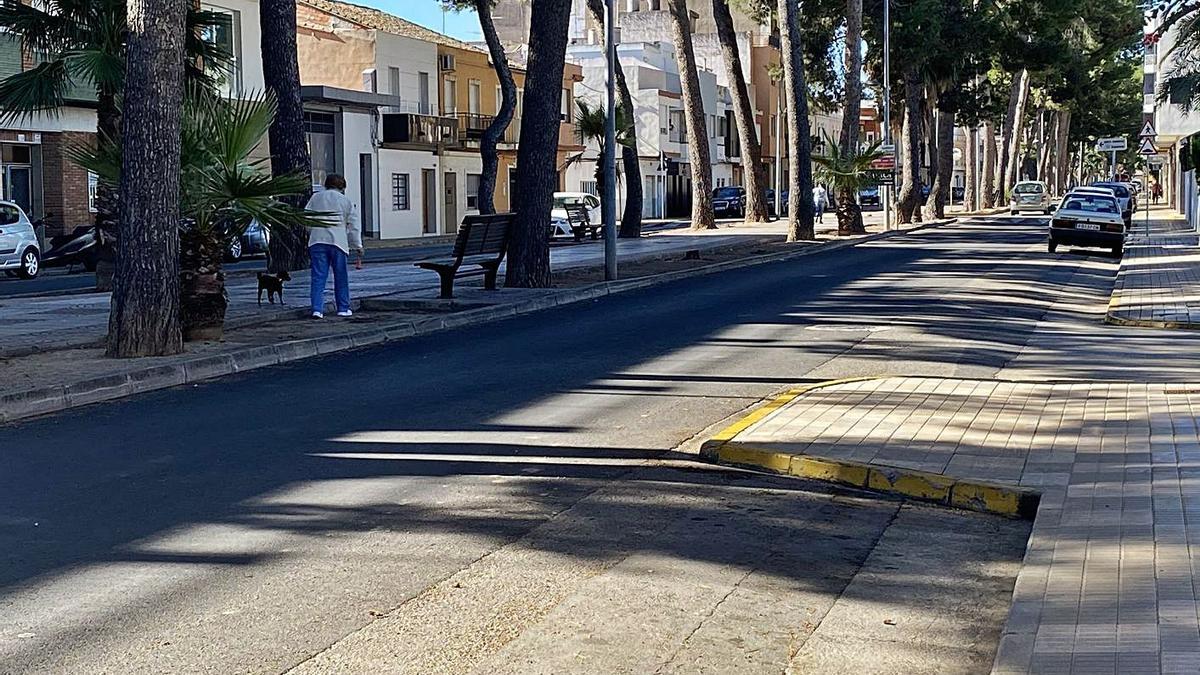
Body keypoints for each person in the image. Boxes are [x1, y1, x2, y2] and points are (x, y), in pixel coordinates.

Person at [305, 174, 362, 319]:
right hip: (338, 242)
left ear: (326, 184)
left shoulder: (316, 198)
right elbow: (353, 225)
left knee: (318, 277)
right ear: (342, 187)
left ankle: (317, 309)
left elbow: (306, 218)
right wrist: (357, 245)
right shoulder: (345, 200)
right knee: (340, 276)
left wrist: (313, 232)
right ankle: (343, 308)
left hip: (317, 240)